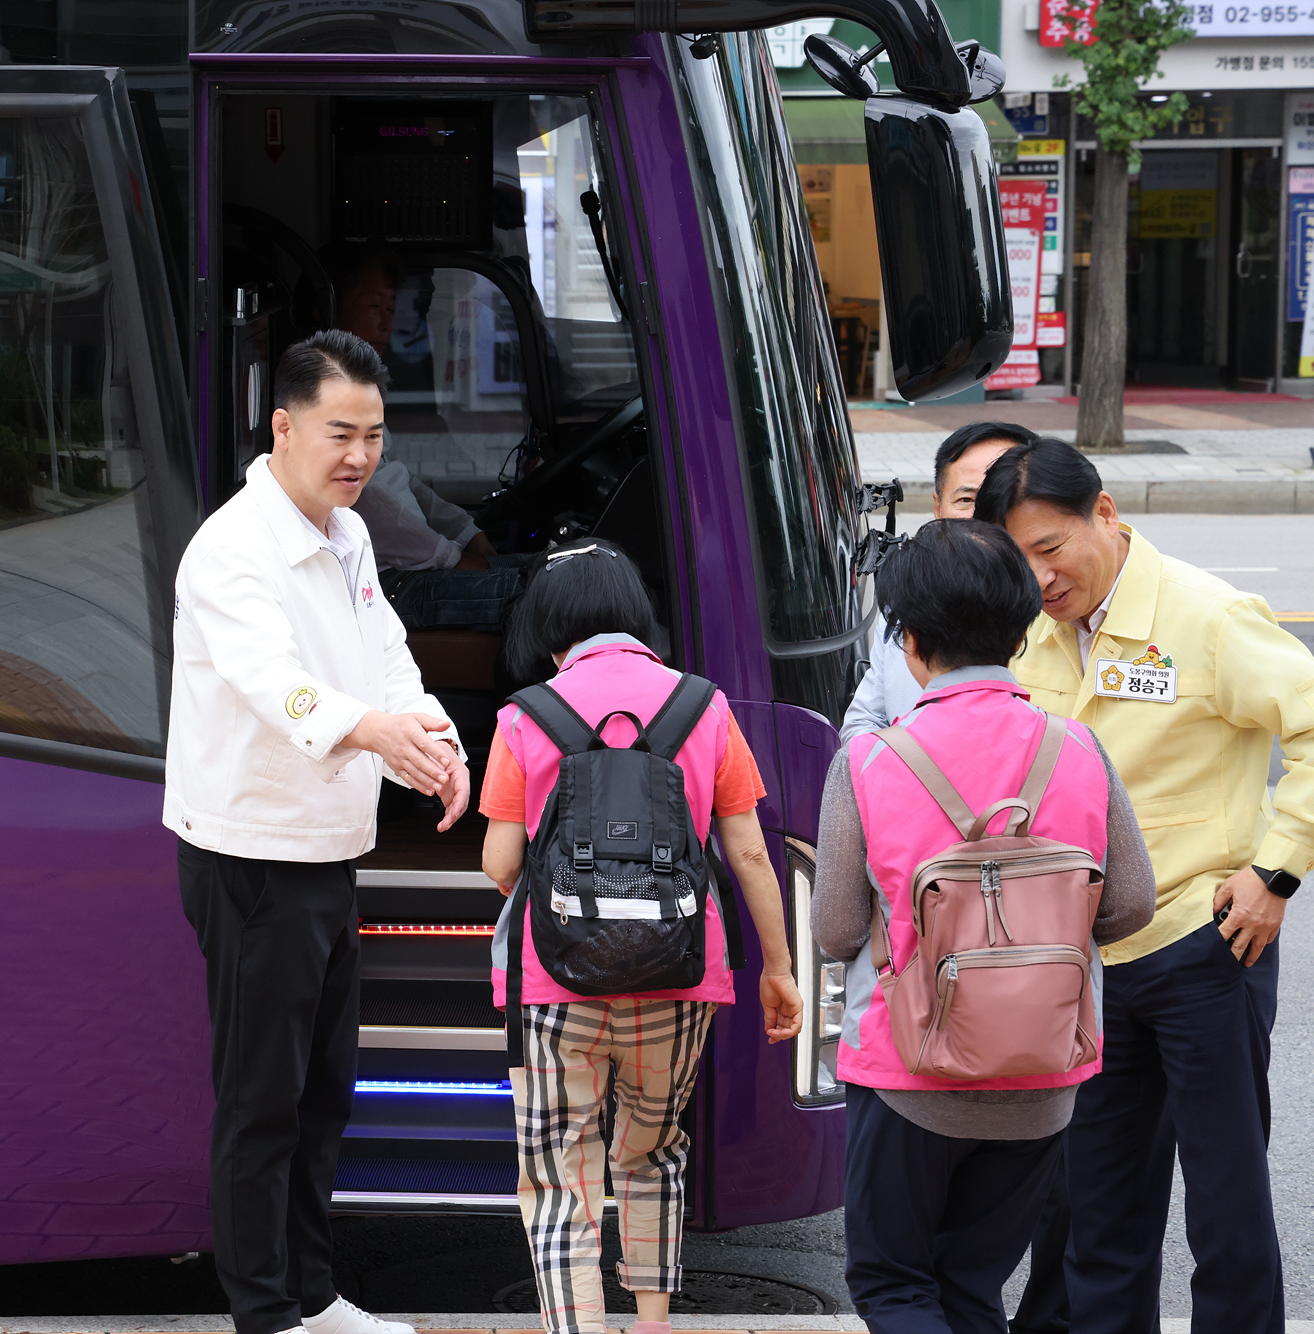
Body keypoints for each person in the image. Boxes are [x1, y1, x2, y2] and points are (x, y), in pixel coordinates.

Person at [973, 439, 1314, 1334]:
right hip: (1087, 957)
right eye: (1019, 559)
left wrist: (1275, 873)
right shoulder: (1033, 635)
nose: (1039, 578)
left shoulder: (1209, 616)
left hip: (1206, 940)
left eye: (1051, 548)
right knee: (1100, 1206)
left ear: (1105, 514)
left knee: (1227, 1201)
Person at [165, 329, 474, 1334]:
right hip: (251, 856)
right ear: (284, 427)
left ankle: (312, 1294)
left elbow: (387, 657)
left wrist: (433, 739)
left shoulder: (347, 535)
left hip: (328, 850)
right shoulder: (230, 549)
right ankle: (265, 1312)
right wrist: (379, 733)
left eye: (374, 435)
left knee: (322, 1094)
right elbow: (277, 687)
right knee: (261, 1101)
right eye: (340, 433)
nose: (359, 455)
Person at [811, 518, 1158, 1334]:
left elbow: (834, 929)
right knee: (970, 1286)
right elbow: (1130, 904)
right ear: (1021, 630)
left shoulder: (869, 760)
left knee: (894, 1286)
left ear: (909, 639)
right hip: (1044, 1075)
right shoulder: (1079, 750)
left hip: (907, 1072)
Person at [478, 539, 804, 1334]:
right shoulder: (704, 705)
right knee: (653, 1150)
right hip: (679, 972)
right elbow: (749, 853)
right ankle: (653, 1323)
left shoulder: (525, 715)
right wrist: (779, 968)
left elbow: (500, 863)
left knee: (559, 1172)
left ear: (548, 625)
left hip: (554, 983)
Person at [326, 246, 530, 633]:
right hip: (390, 581)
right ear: (329, 307)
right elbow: (368, 505)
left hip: (420, 563)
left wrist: (466, 531)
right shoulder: (326, 398)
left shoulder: (360, 389)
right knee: (543, 597)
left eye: (390, 309)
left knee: (555, 569)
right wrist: (450, 556)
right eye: (373, 306)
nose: (385, 323)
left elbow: (403, 480)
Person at [841, 420, 1038, 743]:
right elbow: (864, 720)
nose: (984, 516)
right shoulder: (908, 598)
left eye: (1004, 497)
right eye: (966, 500)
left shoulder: (1060, 601)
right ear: (938, 506)